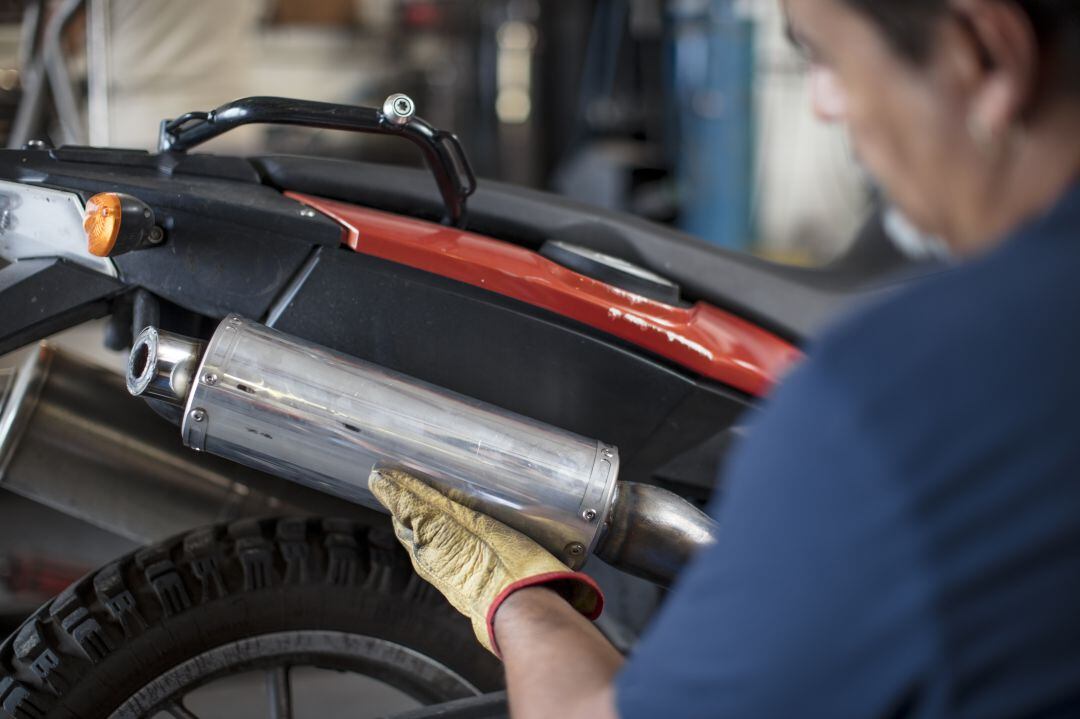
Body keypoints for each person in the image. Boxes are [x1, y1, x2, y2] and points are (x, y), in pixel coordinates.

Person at [368, 0, 1080, 716]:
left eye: (827, 58)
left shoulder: (894, 405)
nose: (825, 105)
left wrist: (512, 591)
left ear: (983, 53)